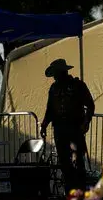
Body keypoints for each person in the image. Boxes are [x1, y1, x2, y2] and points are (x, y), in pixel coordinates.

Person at [40, 59, 95, 193]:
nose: (54, 76)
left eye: (56, 73)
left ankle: (80, 192)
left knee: (78, 161)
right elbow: (50, 109)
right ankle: (69, 192)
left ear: (63, 72)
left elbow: (90, 105)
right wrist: (44, 125)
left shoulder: (78, 85)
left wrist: (86, 121)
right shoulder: (54, 88)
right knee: (64, 162)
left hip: (75, 128)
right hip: (59, 129)